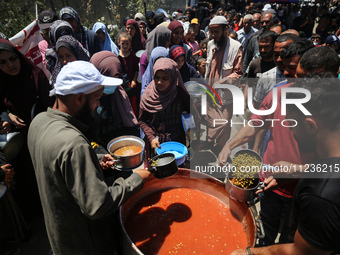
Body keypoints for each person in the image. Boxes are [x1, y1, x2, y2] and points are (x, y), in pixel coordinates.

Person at [28, 60, 151, 255]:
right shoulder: (75, 144)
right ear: (79, 99)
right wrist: (137, 179)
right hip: (83, 243)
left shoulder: (39, 121)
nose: (98, 105)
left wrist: (94, 163)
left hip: (59, 234)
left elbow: (59, 172)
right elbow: (97, 205)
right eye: (96, 98)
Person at [231, 77, 340, 255]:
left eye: (290, 124)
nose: (288, 130)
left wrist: (249, 253)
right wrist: (295, 171)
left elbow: (301, 252)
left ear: (310, 126)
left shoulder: (321, 193)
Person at [139, 58, 198, 159]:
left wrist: (194, 139)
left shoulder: (180, 94)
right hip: (157, 144)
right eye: (156, 77)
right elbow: (142, 120)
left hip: (178, 143)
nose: (159, 82)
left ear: (173, 77)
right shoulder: (149, 96)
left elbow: (195, 115)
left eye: (165, 78)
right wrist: (151, 137)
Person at [204, 15, 243, 150]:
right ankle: (209, 141)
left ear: (225, 29)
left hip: (226, 93)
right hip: (210, 90)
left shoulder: (235, 47)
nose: (213, 35)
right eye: (211, 32)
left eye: (217, 32)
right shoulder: (210, 44)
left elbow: (238, 73)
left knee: (225, 121)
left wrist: (223, 82)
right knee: (210, 118)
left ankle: (220, 146)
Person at [90, 51, 139, 146]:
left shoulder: (121, 94)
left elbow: (130, 122)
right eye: (108, 80)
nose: (112, 86)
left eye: (116, 80)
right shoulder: (88, 100)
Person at [254, 33, 298, 109]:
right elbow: (257, 109)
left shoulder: (304, 77)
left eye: (283, 54)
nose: (279, 59)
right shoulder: (265, 78)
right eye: (276, 55)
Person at [117, 33, 140, 116]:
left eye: (127, 43)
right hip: (122, 86)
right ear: (119, 43)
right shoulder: (117, 57)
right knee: (123, 104)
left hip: (131, 86)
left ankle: (135, 120)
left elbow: (136, 70)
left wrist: (134, 80)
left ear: (130, 44)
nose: (125, 46)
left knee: (133, 103)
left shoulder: (133, 56)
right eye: (123, 43)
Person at [37, 9, 59, 78]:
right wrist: (50, 43)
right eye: (45, 29)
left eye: (50, 28)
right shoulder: (43, 45)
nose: (48, 32)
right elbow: (49, 66)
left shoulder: (67, 37)